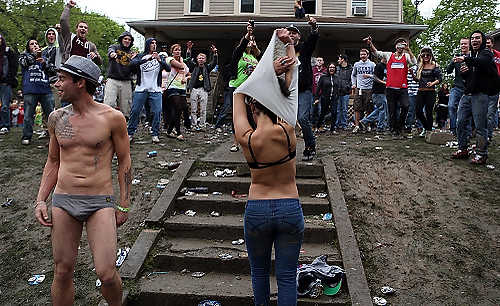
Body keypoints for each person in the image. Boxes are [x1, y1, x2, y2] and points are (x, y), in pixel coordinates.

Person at [34, 55, 131, 306]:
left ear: (80, 83)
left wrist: (124, 203)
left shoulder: (112, 118)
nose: (57, 83)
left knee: (107, 274)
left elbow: (124, 162)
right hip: (64, 200)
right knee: (63, 270)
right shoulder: (56, 118)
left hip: (100, 201)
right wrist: (40, 200)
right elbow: (53, 161)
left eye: (62, 79)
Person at [233, 28, 302, 306]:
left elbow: (239, 91)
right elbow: (293, 79)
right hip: (289, 206)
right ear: (277, 104)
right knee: (286, 277)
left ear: (253, 107)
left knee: (259, 273)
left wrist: (265, 72)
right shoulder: (289, 129)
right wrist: (288, 47)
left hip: (258, 209)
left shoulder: (246, 139)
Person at [451, 31, 498, 164]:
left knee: (479, 125)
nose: (474, 40)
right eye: (472, 38)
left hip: (480, 95)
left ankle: (481, 154)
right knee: (460, 122)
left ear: (482, 40)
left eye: (477, 38)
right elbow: (470, 76)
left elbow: (482, 62)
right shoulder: (471, 55)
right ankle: (463, 149)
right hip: (467, 94)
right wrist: (464, 73)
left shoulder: (486, 54)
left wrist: (464, 59)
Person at [366, 36, 416, 139]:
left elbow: (414, 62)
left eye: (403, 45)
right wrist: (370, 44)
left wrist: (409, 50)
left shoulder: (406, 56)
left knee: (405, 106)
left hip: (402, 88)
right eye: (399, 44)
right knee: (392, 110)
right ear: (396, 46)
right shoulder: (389, 55)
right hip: (390, 88)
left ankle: (400, 127)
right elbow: (377, 53)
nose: (401, 47)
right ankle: (393, 130)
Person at [224, 21, 261, 152]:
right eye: (249, 40)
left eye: (252, 40)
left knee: (252, 116)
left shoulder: (254, 57)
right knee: (237, 116)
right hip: (237, 88)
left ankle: (253, 140)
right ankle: (236, 142)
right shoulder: (239, 54)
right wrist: (248, 34)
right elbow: (241, 47)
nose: (251, 41)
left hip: (251, 90)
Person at [127, 38, 170, 143]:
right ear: (147, 45)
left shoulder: (160, 57)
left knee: (157, 111)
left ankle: (155, 133)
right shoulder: (140, 56)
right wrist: (147, 59)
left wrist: (159, 60)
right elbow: (132, 65)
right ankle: (130, 133)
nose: (154, 45)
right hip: (141, 88)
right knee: (135, 111)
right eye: (152, 43)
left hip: (155, 89)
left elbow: (168, 68)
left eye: (155, 43)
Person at [288, 17, 319, 160]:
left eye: (294, 33)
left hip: (303, 90)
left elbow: (313, 40)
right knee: (284, 120)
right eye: (289, 32)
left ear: (299, 36)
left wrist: (314, 27)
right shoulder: (281, 51)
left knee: (302, 118)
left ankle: (310, 146)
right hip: (287, 91)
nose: (291, 34)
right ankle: (285, 148)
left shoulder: (304, 49)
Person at [19, 39, 55, 145]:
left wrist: (44, 63)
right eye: (32, 44)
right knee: (28, 115)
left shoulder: (45, 57)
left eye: (36, 44)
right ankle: (26, 136)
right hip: (30, 89)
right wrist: (34, 55)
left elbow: (52, 70)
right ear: (28, 47)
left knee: (50, 115)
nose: (35, 45)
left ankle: (53, 137)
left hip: (45, 89)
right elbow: (24, 63)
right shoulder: (24, 56)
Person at [185, 41, 218, 130]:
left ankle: (202, 125)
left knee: (203, 109)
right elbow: (188, 60)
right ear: (197, 59)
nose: (201, 59)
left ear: (205, 60)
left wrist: (215, 53)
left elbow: (214, 63)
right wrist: (189, 49)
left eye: (203, 58)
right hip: (194, 89)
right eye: (199, 58)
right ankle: (194, 125)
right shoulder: (193, 66)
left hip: (204, 89)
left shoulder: (207, 67)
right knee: (193, 109)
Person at [104, 31, 137, 119]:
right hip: (113, 80)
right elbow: (110, 50)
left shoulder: (132, 54)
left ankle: (122, 128)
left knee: (126, 109)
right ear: (121, 40)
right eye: (125, 39)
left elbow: (135, 70)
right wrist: (112, 54)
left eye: (129, 39)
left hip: (126, 82)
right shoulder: (115, 47)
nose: (127, 41)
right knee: (109, 104)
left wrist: (134, 61)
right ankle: (107, 126)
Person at [59, 0, 102, 65]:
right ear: (76, 29)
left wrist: (95, 56)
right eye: (81, 27)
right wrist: (68, 7)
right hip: (68, 68)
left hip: (82, 72)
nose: (83, 28)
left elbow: (100, 62)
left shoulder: (91, 45)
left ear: (87, 31)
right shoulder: (69, 37)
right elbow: (63, 21)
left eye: (85, 28)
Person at [412, 47, 442, 137]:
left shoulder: (435, 65)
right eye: (423, 55)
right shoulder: (420, 66)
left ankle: (428, 131)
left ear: (431, 55)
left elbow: (440, 79)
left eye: (427, 55)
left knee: (429, 112)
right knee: (418, 111)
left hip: (430, 92)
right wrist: (412, 74)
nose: (425, 56)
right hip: (420, 91)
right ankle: (427, 127)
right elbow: (417, 80)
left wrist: (432, 83)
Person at [164, 44, 190, 140]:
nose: (178, 51)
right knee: (177, 107)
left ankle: (170, 130)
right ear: (172, 51)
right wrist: (182, 61)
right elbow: (180, 66)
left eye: (179, 50)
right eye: (176, 50)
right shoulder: (169, 59)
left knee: (182, 108)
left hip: (182, 87)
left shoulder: (184, 63)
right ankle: (178, 132)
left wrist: (186, 78)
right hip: (172, 87)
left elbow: (189, 74)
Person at [447, 38, 470, 136]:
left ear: (469, 45)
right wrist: (452, 62)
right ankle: (453, 130)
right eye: (461, 44)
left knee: (467, 110)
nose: (463, 46)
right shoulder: (457, 57)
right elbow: (448, 71)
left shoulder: (473, 57)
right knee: (451, 106)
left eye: (465, 44)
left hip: (468, 88)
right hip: (457, 87)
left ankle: (467, 132)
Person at [359, 56, 388, 133]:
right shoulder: (379, 66)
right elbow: (375, 77)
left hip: (383, 91)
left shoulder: (386, 66)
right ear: (383, 57)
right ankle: (380, 127)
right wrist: (383, 82)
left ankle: (364, 121)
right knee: (382, 109)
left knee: (381, 109)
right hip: (377, 91)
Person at [351, 48, 375, 133]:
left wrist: (369, 76)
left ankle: (367, 125)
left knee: (368, 108)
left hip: (369, 88)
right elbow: (353, 75)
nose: (362, 56)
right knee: (357, 108)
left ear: (368, 55)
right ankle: (357, 126)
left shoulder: (372, 64)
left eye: (364, 54)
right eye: (361, 54)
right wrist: (354, 84)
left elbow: (376, 76)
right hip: (359, 88)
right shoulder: (357, 64)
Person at [0, 33, 19, 135]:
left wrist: (9, 78)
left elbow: (14, 66)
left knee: (5, 106)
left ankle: (5, 125)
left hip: (5, 82)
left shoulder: (8, 51)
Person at [314, 63, 338, 132]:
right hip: (325, 98)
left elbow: (338, 87)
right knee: (322, 113)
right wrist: (316, 98)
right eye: (330, 67)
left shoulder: (336, 77)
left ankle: (332, 129)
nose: (332, 68)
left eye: (333, 67)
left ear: (335, 69)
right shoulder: (323, 77)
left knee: (334, 112)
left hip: (334, 98)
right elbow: (318, 88)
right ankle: (318, 126)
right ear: (328, 69)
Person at [485, 36, 500, 141]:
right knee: (481, 113)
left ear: (492, 44)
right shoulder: (480, 55)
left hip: (495, 88)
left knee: (490, 114)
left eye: (488, 43)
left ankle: (488, 136)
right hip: (483, 88)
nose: (487, 45)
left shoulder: (498, 56)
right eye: (485, 43)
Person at [336, 54, 352, 130]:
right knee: (338, 109)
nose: (338, 61)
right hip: (337, 92)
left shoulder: (350, 68)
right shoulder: (337, 68)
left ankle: (344, 124)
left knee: (345, 109)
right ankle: (337, 124)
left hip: (346, 92)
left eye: (339, 59)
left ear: (343, 60)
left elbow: (352, 79)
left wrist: (348, 86)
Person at [312, 57, 326, 132]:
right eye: (318, 60)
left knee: (321, 110)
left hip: (322, 93)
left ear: (323, 62)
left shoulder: (325, 71)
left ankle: (320, 126)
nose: (319, 61)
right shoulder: (312, 70)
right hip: (314, 93)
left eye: (321, 60)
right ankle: (313, 125)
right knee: (313, 110)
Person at [404, 65, 420, 133]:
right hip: (411, 92)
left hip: (420, 93)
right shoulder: (412, 69)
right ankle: (408, 126)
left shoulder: (426, 68)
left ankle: (420, 127)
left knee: (420, 111)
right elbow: (407, 80)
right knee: (411, 110)